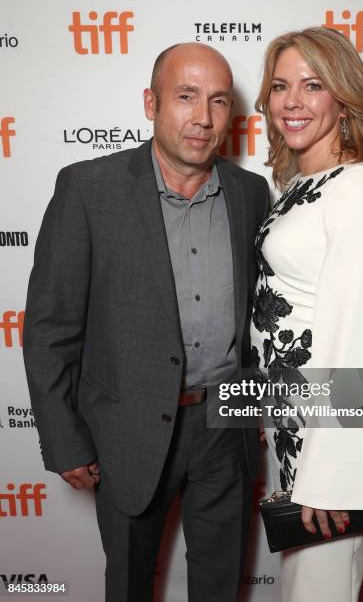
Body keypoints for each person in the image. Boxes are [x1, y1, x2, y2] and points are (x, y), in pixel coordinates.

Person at [22, 42, 270, 602]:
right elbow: (49, 327)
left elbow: (257, 317)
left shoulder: (250, 192)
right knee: (130, 582)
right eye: (185, 97)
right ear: (150, 102)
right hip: (126, 432)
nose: (203, 118)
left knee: (219, 581)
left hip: (225, 427)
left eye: (218, 101)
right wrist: (64, 439)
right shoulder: (88, 189)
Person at [250, 27, 363, 602]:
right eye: (279, 86)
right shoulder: (301, 183)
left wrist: (333, 474)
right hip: (294, 429)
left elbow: (360, 337)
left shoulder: (357, 188)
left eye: (312, 85)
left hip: (327, 447)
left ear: (343, 100)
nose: (291, 101)